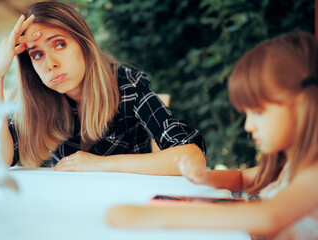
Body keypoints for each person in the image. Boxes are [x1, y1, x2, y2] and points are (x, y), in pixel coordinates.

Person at [106, 31, 318, 239]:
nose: (248, 126)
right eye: (247, 114)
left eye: (258, 112)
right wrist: (205, 177)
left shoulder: (313, 175)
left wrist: (154, 216)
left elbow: (270, 216)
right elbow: (242, 177)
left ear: (304, 104)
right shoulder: (288, 166)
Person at [0, 1, 206, 175]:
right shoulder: (38, 99)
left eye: (59, 44)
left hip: (124, 207)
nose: (50, 63)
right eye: (37, 54)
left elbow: (192, 157)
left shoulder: (127, 85)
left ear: (84, 44)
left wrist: (101, 164)